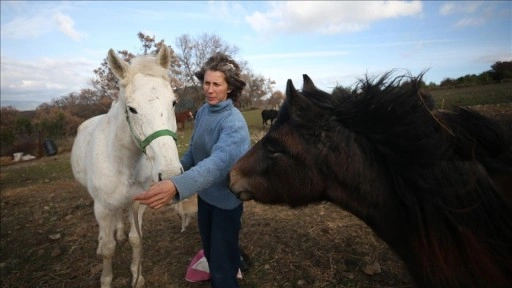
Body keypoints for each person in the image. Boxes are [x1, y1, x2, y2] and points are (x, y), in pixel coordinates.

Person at [133, 52, 250, 288]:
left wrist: (177, 186)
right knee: (210, 250)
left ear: (229, 88)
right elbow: (194, 155)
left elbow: (217, 164)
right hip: (205, 197)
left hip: (227, 203)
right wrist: (173, 176)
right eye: (206, 83)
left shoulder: (234, 123)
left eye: (217, 84)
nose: (210, 89)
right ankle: (232, 260)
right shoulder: (204, 112)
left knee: (221, 267)